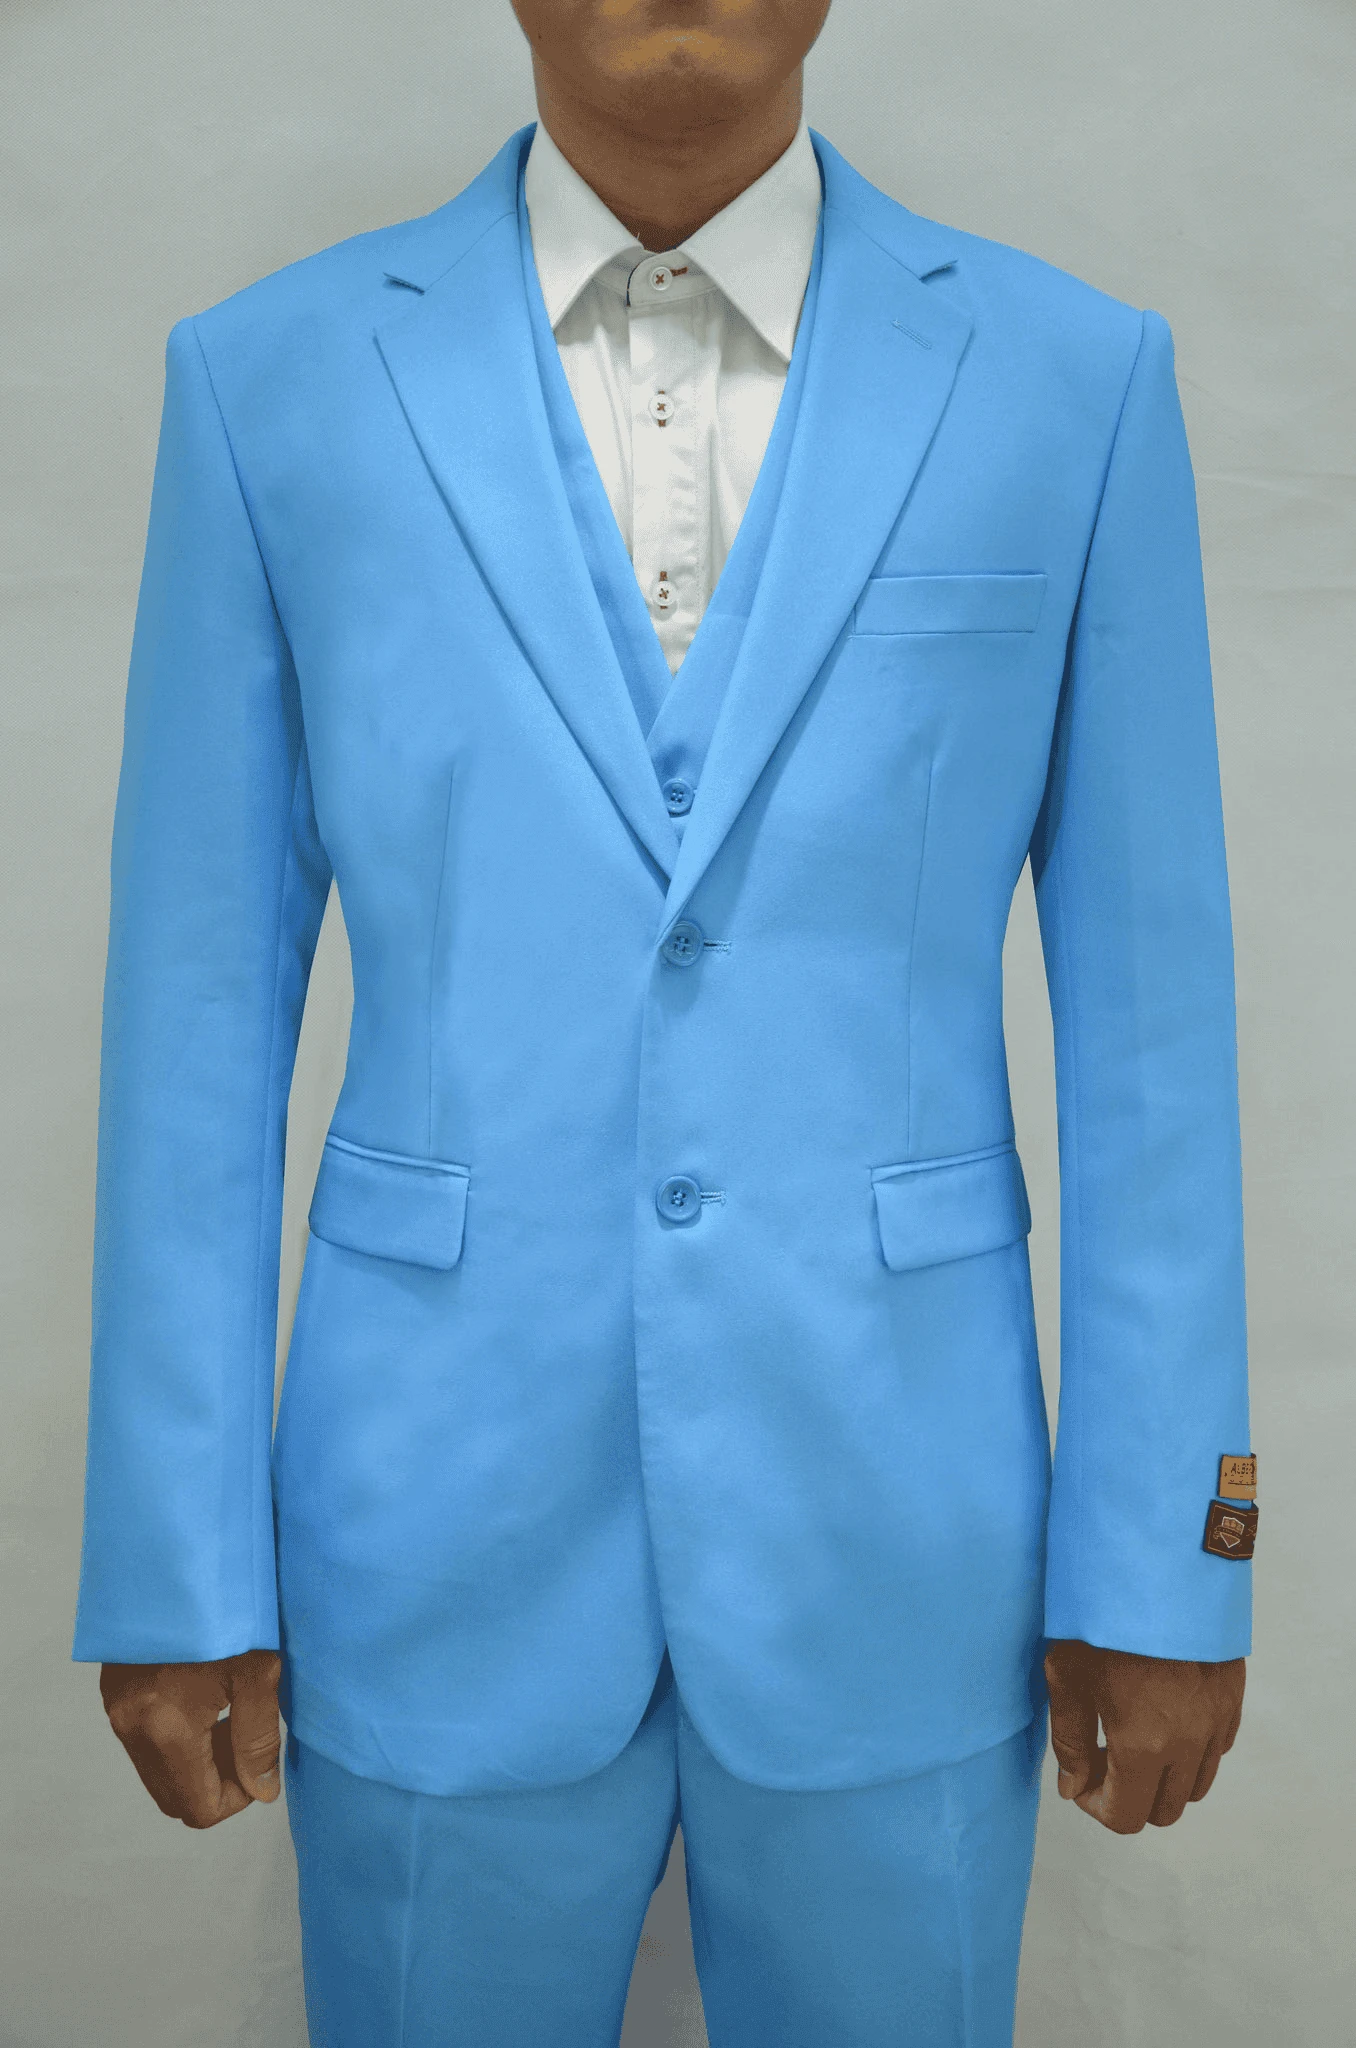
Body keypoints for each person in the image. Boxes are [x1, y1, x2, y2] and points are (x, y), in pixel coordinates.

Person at [75, 2, 1254, 2041]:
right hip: (427, 1533)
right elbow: (192, 1023)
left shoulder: (1070, 382)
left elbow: (1157, 1035)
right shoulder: (272, 383)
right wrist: (173, 1564)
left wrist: (1168, 1554)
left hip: (902, 1537)